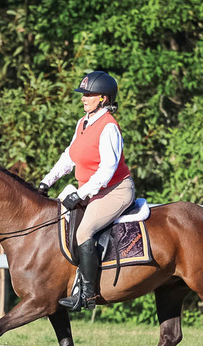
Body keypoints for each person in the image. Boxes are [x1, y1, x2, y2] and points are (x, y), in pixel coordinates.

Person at [38, 71, 135, 312]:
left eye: (89, 94)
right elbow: (69, 157)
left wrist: (80, 195)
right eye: (83, 94)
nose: (83, 98)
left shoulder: (109, 127)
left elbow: (107, 169)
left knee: (84, 232)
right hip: (91, 190)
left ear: (103, 98)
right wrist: (45, 182)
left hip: (115, 190)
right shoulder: (83, 123)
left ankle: (88, 294)